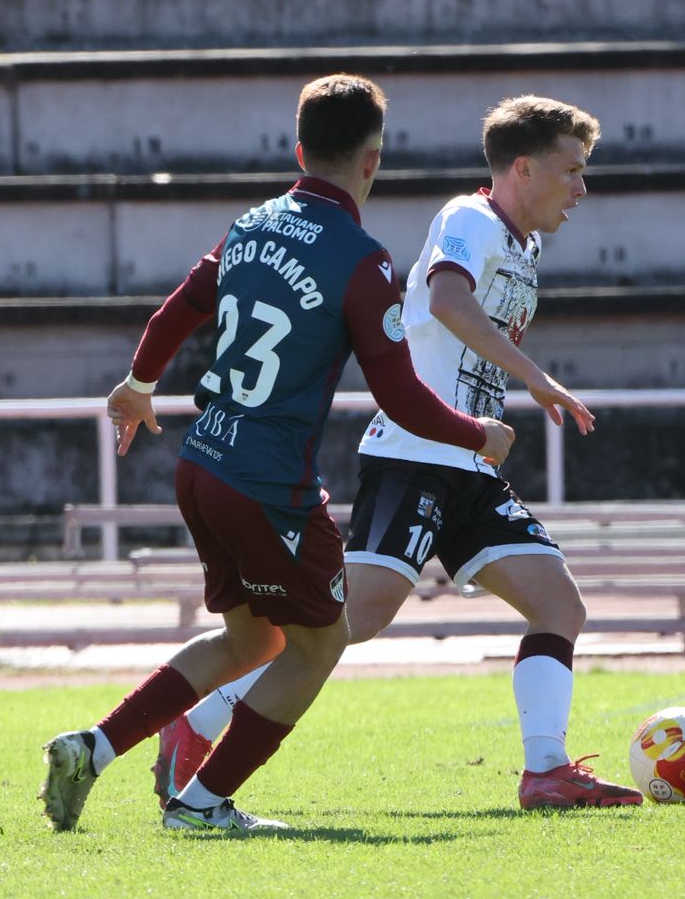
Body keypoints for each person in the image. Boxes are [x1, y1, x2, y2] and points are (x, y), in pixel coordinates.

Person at [39, 74, 515, 834]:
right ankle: (202, 804)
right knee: (320, 642)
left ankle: (92, 748)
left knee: (250, 637)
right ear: (372, 160)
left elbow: (176, 311)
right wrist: (478, 434)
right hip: (267, 482)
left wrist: (137, 387)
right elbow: (400, 398)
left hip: (200, 463)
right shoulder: (364, 261)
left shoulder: (250, 226)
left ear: (298, 150)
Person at [154, 95, 644, 810]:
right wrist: (537, 381)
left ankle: (545, 771)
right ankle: (195, 723)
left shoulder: (523, 243)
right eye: (572, 170)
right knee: (346, 624)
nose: (581, 188)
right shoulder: (470, 219)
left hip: (468, 467)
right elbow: (447, 299)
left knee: (558, 606)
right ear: (523, 168)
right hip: (417, 453)